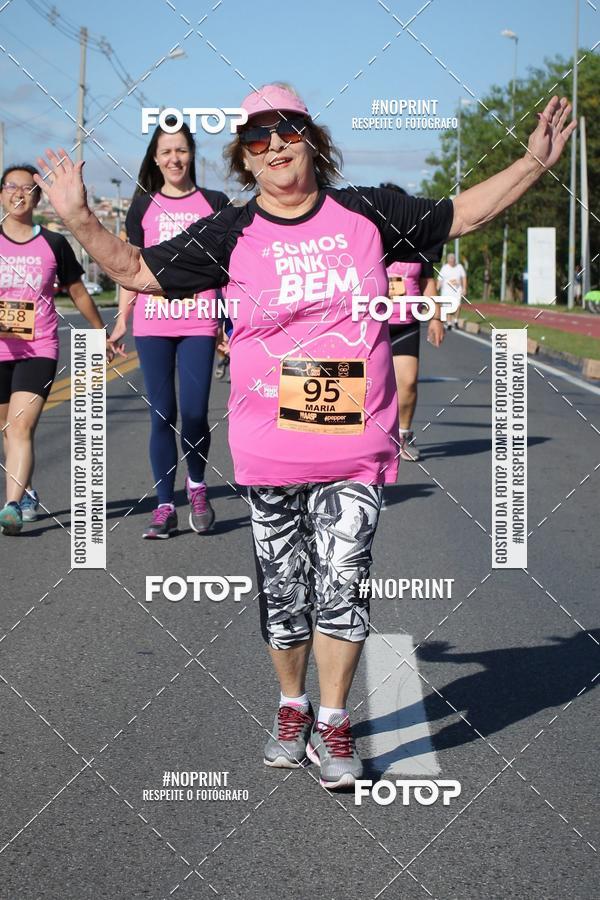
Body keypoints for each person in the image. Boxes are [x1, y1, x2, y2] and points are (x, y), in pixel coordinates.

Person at [36, 86, 575, 788]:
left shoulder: (368, 212)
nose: (274, 145)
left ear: (310, 137)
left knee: (342, 584)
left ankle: (334, 720)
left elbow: (462, 212)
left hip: (355, 448)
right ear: (245, 159)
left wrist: (534, 162)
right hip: (269, 453)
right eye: (256, 139)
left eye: (286, 129)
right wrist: (77, 216)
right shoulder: (229, 232)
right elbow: (138, 270)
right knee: (285, 596)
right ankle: (291, 706)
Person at [108, 118, 229, 539]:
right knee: (162, 414)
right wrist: (122, 318)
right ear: (155, 159)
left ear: (191, 153)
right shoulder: (142, 206)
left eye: (180, 150)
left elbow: (228, 270)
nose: (174, 158)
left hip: (200, 319)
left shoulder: (215, 202)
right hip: (152, 323)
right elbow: (130, 269)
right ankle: (164, 505)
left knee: (195, 412)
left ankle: (196, 486)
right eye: (166, 152)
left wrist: (229, 323)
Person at [0, 164, 112, 535]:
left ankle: (11, 505)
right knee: (6, 428)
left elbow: (77, 292)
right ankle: (28, 491)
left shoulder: (53, 244)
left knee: (19, 427)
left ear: (37, 197)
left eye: (27, 188)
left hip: (39, 347)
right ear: (1, 193)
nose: (18, 193)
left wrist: (100, 332)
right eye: (11, 186)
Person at [380, 184, 444, 461]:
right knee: (368, 386)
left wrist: (436, 318)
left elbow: (427, 281)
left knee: (407, 383)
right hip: (371, 324)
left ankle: (403, 435)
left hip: (405, 321)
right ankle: (367, 439)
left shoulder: (418, 244)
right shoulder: (370, 239)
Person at [437, 252, 467, 328]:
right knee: (448, 307)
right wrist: (437, 288)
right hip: (446, 291)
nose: (452, 261)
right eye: (450, 260)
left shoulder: (459, 267)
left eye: (453, 260)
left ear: (455, 260)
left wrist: (464, 288)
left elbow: (464, 277)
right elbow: (440, 279)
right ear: (448, 260)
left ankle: (456, 320)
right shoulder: (444, 268)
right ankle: (449, 322)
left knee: (458, 305)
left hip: (457, 290)